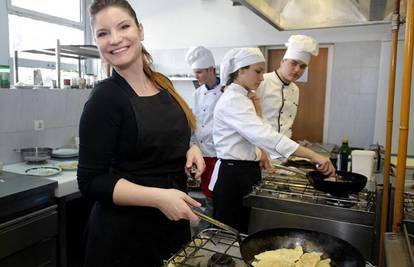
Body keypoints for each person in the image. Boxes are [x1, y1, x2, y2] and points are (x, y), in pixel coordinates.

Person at [77, 1, 205, 266]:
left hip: (170, 227)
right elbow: (91, 181)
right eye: (103, 33)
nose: (115, 39)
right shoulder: (106, 98)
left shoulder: (162, 83)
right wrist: (158, 197)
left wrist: (191, 149)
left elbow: (176, 133)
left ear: (140, 30)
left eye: (123, 26)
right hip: (124, 238)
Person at [209, 47, 335, 233]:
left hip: (244, 173)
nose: (261, 77)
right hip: (232, 177)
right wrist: (313, 156)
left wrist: (258, 111)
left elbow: (255, 133)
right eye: (257, 71)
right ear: (241, 70)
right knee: (228, 237)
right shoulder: (233, 100)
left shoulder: (243, 97)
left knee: (241, 233)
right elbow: (265, 135)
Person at [185, 46, 221, 224]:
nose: (196, 76)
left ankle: (213, 227)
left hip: (220, 154)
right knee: (208, 194)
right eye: (195, 72)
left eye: (199, 72)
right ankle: (209, 227)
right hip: (203, 153)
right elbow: (194, 121)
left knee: (218, 196)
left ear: (211, 69)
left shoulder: (227, 91)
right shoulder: (197, 93)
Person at [257, 35, 319, 139]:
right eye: (293, 63)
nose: (297, 70)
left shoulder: (295, 89)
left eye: (302, 66)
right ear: (282, 62)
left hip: (284, 146)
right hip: (261, 145)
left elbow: (287, 123)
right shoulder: (262, 82)